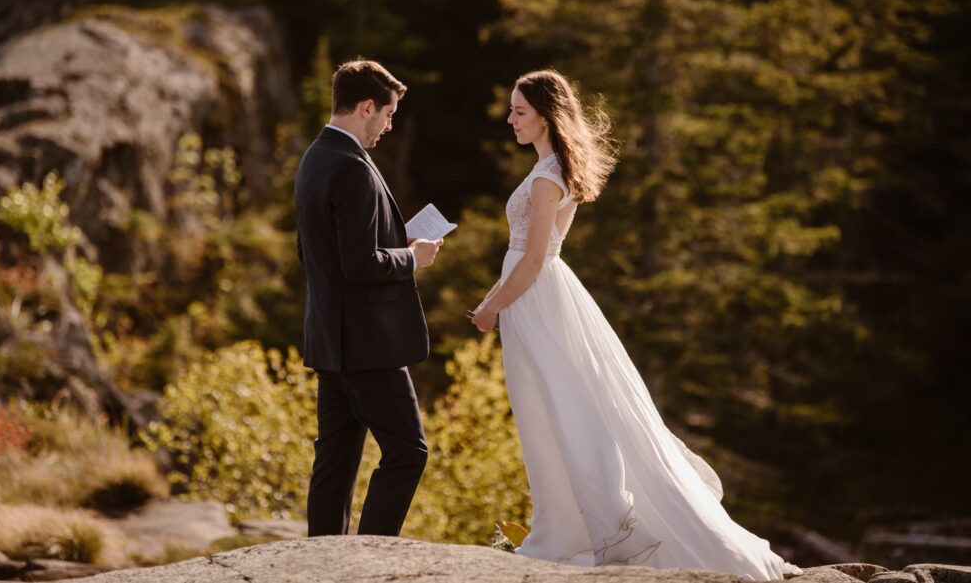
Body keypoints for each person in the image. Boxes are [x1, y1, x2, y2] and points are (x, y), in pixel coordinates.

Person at [470, 70, 801, 579]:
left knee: (556, 413)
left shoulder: (544, 177)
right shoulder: (557, 168)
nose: (509, 119)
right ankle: (568, 528)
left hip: (537, 300)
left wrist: (492, 306)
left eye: (519, 111)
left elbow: (534, 258)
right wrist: (499, 299)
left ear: (545, 115)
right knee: (559, 410)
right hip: (545, 298)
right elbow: (546, 252)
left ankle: (578, 531)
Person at [294, 58, 442, 538]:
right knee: (408, 453)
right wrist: (412, 258)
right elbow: (359, 265)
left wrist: (398, 244)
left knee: (335, 459)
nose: (388, 125)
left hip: (330, 338)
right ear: (366, 107)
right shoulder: (351, 166)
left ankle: (323, 560)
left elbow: (315, 253)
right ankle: (371, 556)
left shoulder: (315, 157)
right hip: (366, 343)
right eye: (388, 114)